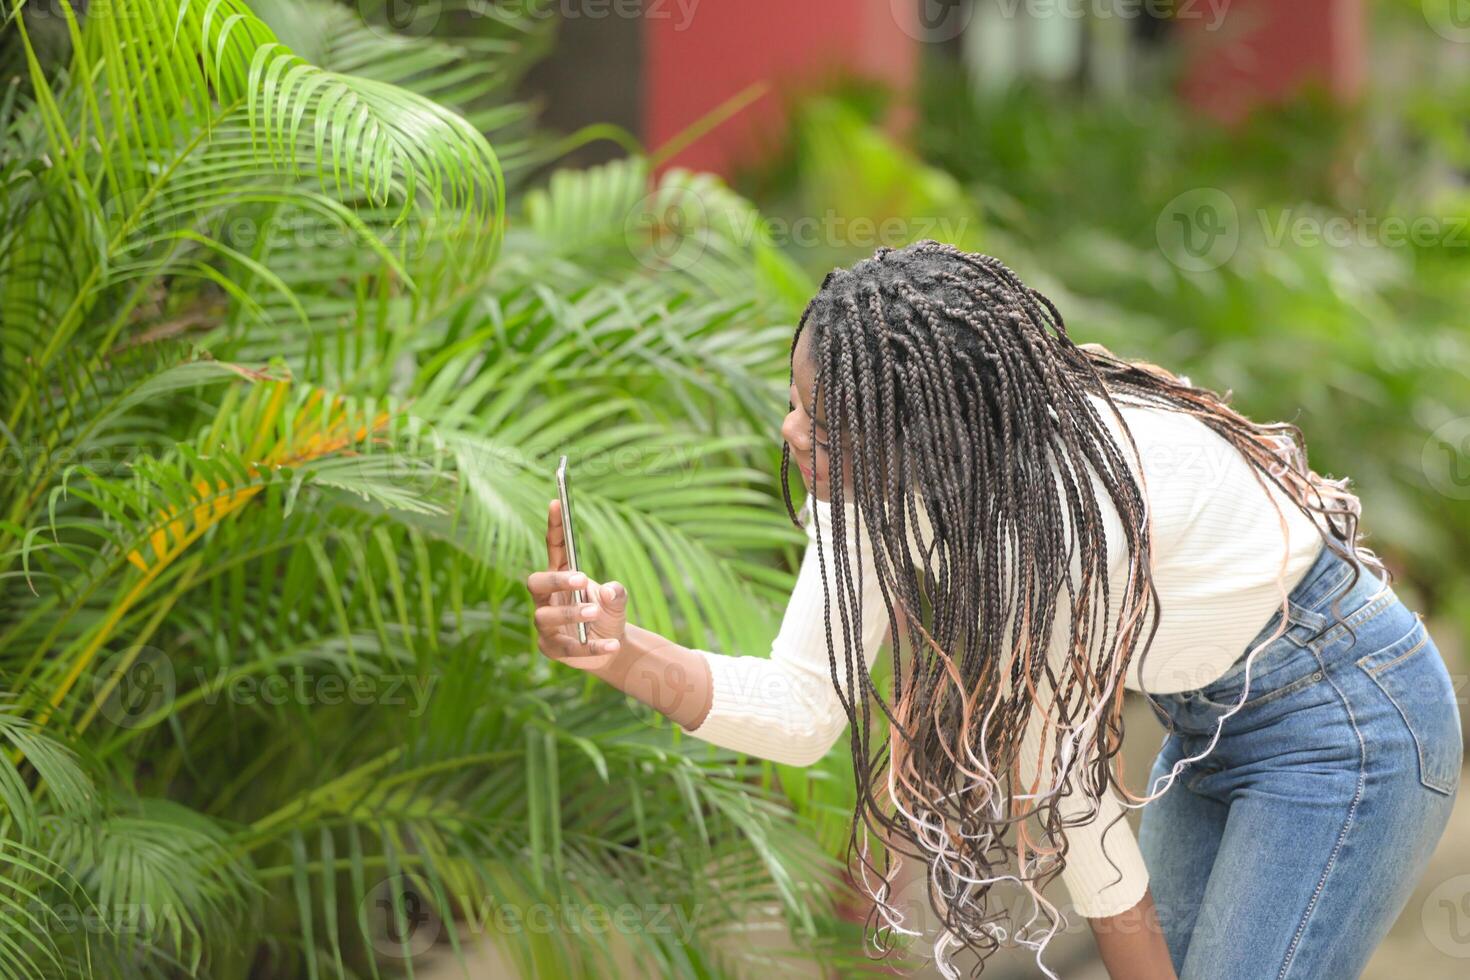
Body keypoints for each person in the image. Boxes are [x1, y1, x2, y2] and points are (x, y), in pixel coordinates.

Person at [525, 242, 1462, 979]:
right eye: (798, 403)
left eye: (826, 424)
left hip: (1344, 715)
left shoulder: (1053, 525)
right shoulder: (871, 486)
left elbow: (1077, 809)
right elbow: (806, 706)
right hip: (1206, 722)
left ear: (926, 438)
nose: (793, 435)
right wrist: (622, 653)